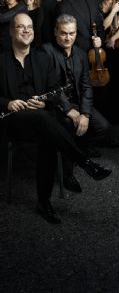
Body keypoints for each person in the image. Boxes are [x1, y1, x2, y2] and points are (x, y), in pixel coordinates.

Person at [0, 13, 111, 223]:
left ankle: (44, 202)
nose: (26, 31)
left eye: (30, 27)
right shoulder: (1, 61)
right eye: (21, 27)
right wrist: (8, 102)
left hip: (40, 118)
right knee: (45, 121)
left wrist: (44, 102)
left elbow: (53, 90)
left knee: (47, 136)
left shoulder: (41, 58)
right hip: (13, 119)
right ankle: (85, 162)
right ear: (11, 31)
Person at [42, 14, 119, 193]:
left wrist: (84, 113)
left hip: (78, 104)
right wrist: (69, 110)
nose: (68, 37)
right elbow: (49, 87)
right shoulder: (45, 52)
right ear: (55, 32)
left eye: (72, 33)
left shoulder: (81, 53)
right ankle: (68, 174)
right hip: (56, 106)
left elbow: (86, 86)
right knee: (69, 126)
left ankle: (77, 148)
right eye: (63, 33)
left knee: (103, 127)